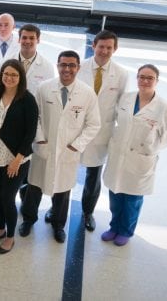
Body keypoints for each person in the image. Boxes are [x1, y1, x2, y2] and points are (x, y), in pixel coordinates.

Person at [20, 50, 100, 243]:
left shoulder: (87, 93)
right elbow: (34, 117)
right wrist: (39, 139)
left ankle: (58, 225)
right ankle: (28, 220)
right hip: (44, 148)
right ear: (57, 66)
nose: (67, 69)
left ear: (78, 68)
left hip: (67, 152)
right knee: (34, 187)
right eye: (63, 65)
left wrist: (77, 145)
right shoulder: (44, 88)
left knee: (62, 191)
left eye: (71, 65)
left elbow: (94, 124)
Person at [102, 64, 167, 246]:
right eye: (141, 77)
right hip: (119, 155)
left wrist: (149, 149)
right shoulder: (126, 99)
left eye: (149, 78)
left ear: (156, 81)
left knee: (132, 199)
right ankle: (114, 227)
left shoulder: (163, 108)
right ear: (137, 78)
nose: (145, 81)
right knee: (116, 194)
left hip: (141, 158)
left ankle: (125, 231)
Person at [0, 59, 38, 254]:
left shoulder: (28, 99)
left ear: (20, 77)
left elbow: (30, 132)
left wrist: (17, 159)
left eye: (14, 75)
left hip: (16, 155)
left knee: (7, 197)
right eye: (6, 74)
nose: (9, 78)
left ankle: (10, 236)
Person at [77, 30, 128, 232]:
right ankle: (56, 209)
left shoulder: (121, 74)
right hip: (77, 128)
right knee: (64, 170)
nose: (105, 51)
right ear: (93, 46)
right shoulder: (79, 67)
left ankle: (87, 212)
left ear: (114, 49)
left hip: (102, 132)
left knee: (93, 175)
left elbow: (121, 105)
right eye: (101, 46)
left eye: (109, 47)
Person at [15, 24, 55, 95]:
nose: (27, 41)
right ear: (19, 39)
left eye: (31, 38)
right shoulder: (7, 62)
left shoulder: (48, 67)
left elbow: (49, 94)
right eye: (24, 37)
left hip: (35, 105)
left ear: (38, 40)